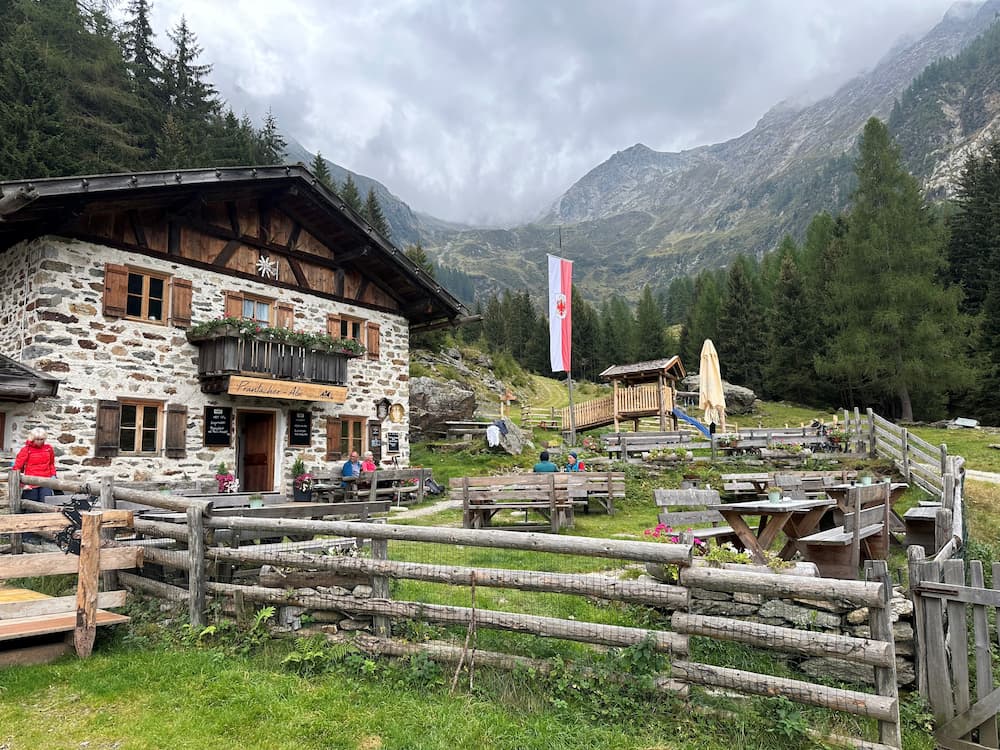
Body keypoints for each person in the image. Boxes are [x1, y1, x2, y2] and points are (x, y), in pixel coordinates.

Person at [12, 427, 57, 501]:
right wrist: (23, 484)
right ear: (32, 439)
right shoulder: (26, 450)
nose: (39, 441)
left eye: (41, 439)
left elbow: (51, 464)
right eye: (37, 439)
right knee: (30, 504)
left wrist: (53, 476)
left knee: (46, 503)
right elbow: (17, 467)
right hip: (31, 482)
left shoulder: (48, 448)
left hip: (46, 481)